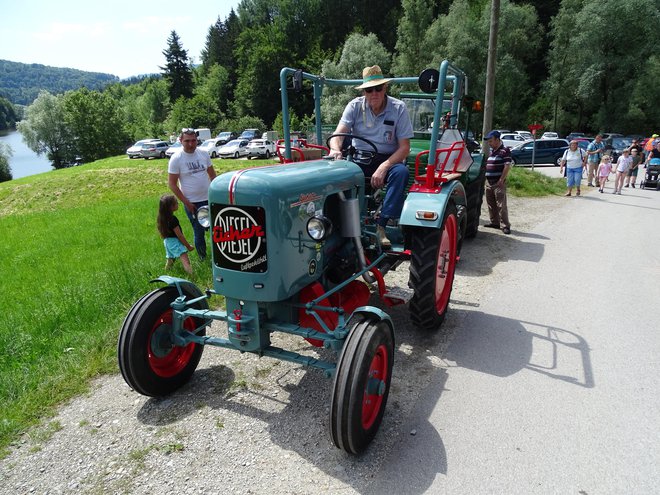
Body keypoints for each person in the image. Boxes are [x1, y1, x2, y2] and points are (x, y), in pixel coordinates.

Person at [329, 65, 413, 248]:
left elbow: (405, 148)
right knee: (333, 174)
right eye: (369, 89)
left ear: (385, 89)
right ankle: (333, 224)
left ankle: (381, 226)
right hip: (359, 159)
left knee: (401, 173)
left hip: (388, 160)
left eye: (378, 88)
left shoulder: (398, 108)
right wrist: (335, 150)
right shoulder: (354, 106)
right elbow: (338, 136)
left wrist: (384, 167)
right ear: (364, 92)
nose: (374, 93)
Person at [168, 128, 217, 260]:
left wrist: (217, 195)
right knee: (199, 232)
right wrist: (187, 202)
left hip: (209, 199)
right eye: (187, 141)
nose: (191, 144)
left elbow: (212, 175)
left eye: (193, 140)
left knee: (217, 230)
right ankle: (203, 258)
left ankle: (219, 257)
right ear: (180, 141)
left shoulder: (203, 154)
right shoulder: (176, 158)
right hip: (192, 203)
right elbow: (172, 184)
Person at [483, 130, 512, 234]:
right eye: (489, 142)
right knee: (491, 204)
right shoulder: (492, 152)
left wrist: (501, 179)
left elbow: (507, 166)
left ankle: (505, 225)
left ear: (497, 140)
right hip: (489, 182)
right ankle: (494, 222)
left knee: (501, 205)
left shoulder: (505, 151)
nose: (489, 144)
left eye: (491, 141)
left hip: (498, 182)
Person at [157, 194, 194, 274]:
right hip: (175, 242)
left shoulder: (161, 218)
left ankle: (166, 273)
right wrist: (188, 246)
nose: (178, 204)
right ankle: (192, 276)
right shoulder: (173, 219)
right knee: (185, 260)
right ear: (171, 207)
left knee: (170, 260)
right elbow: (179, 236)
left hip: (167, 242)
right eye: (176, 203)